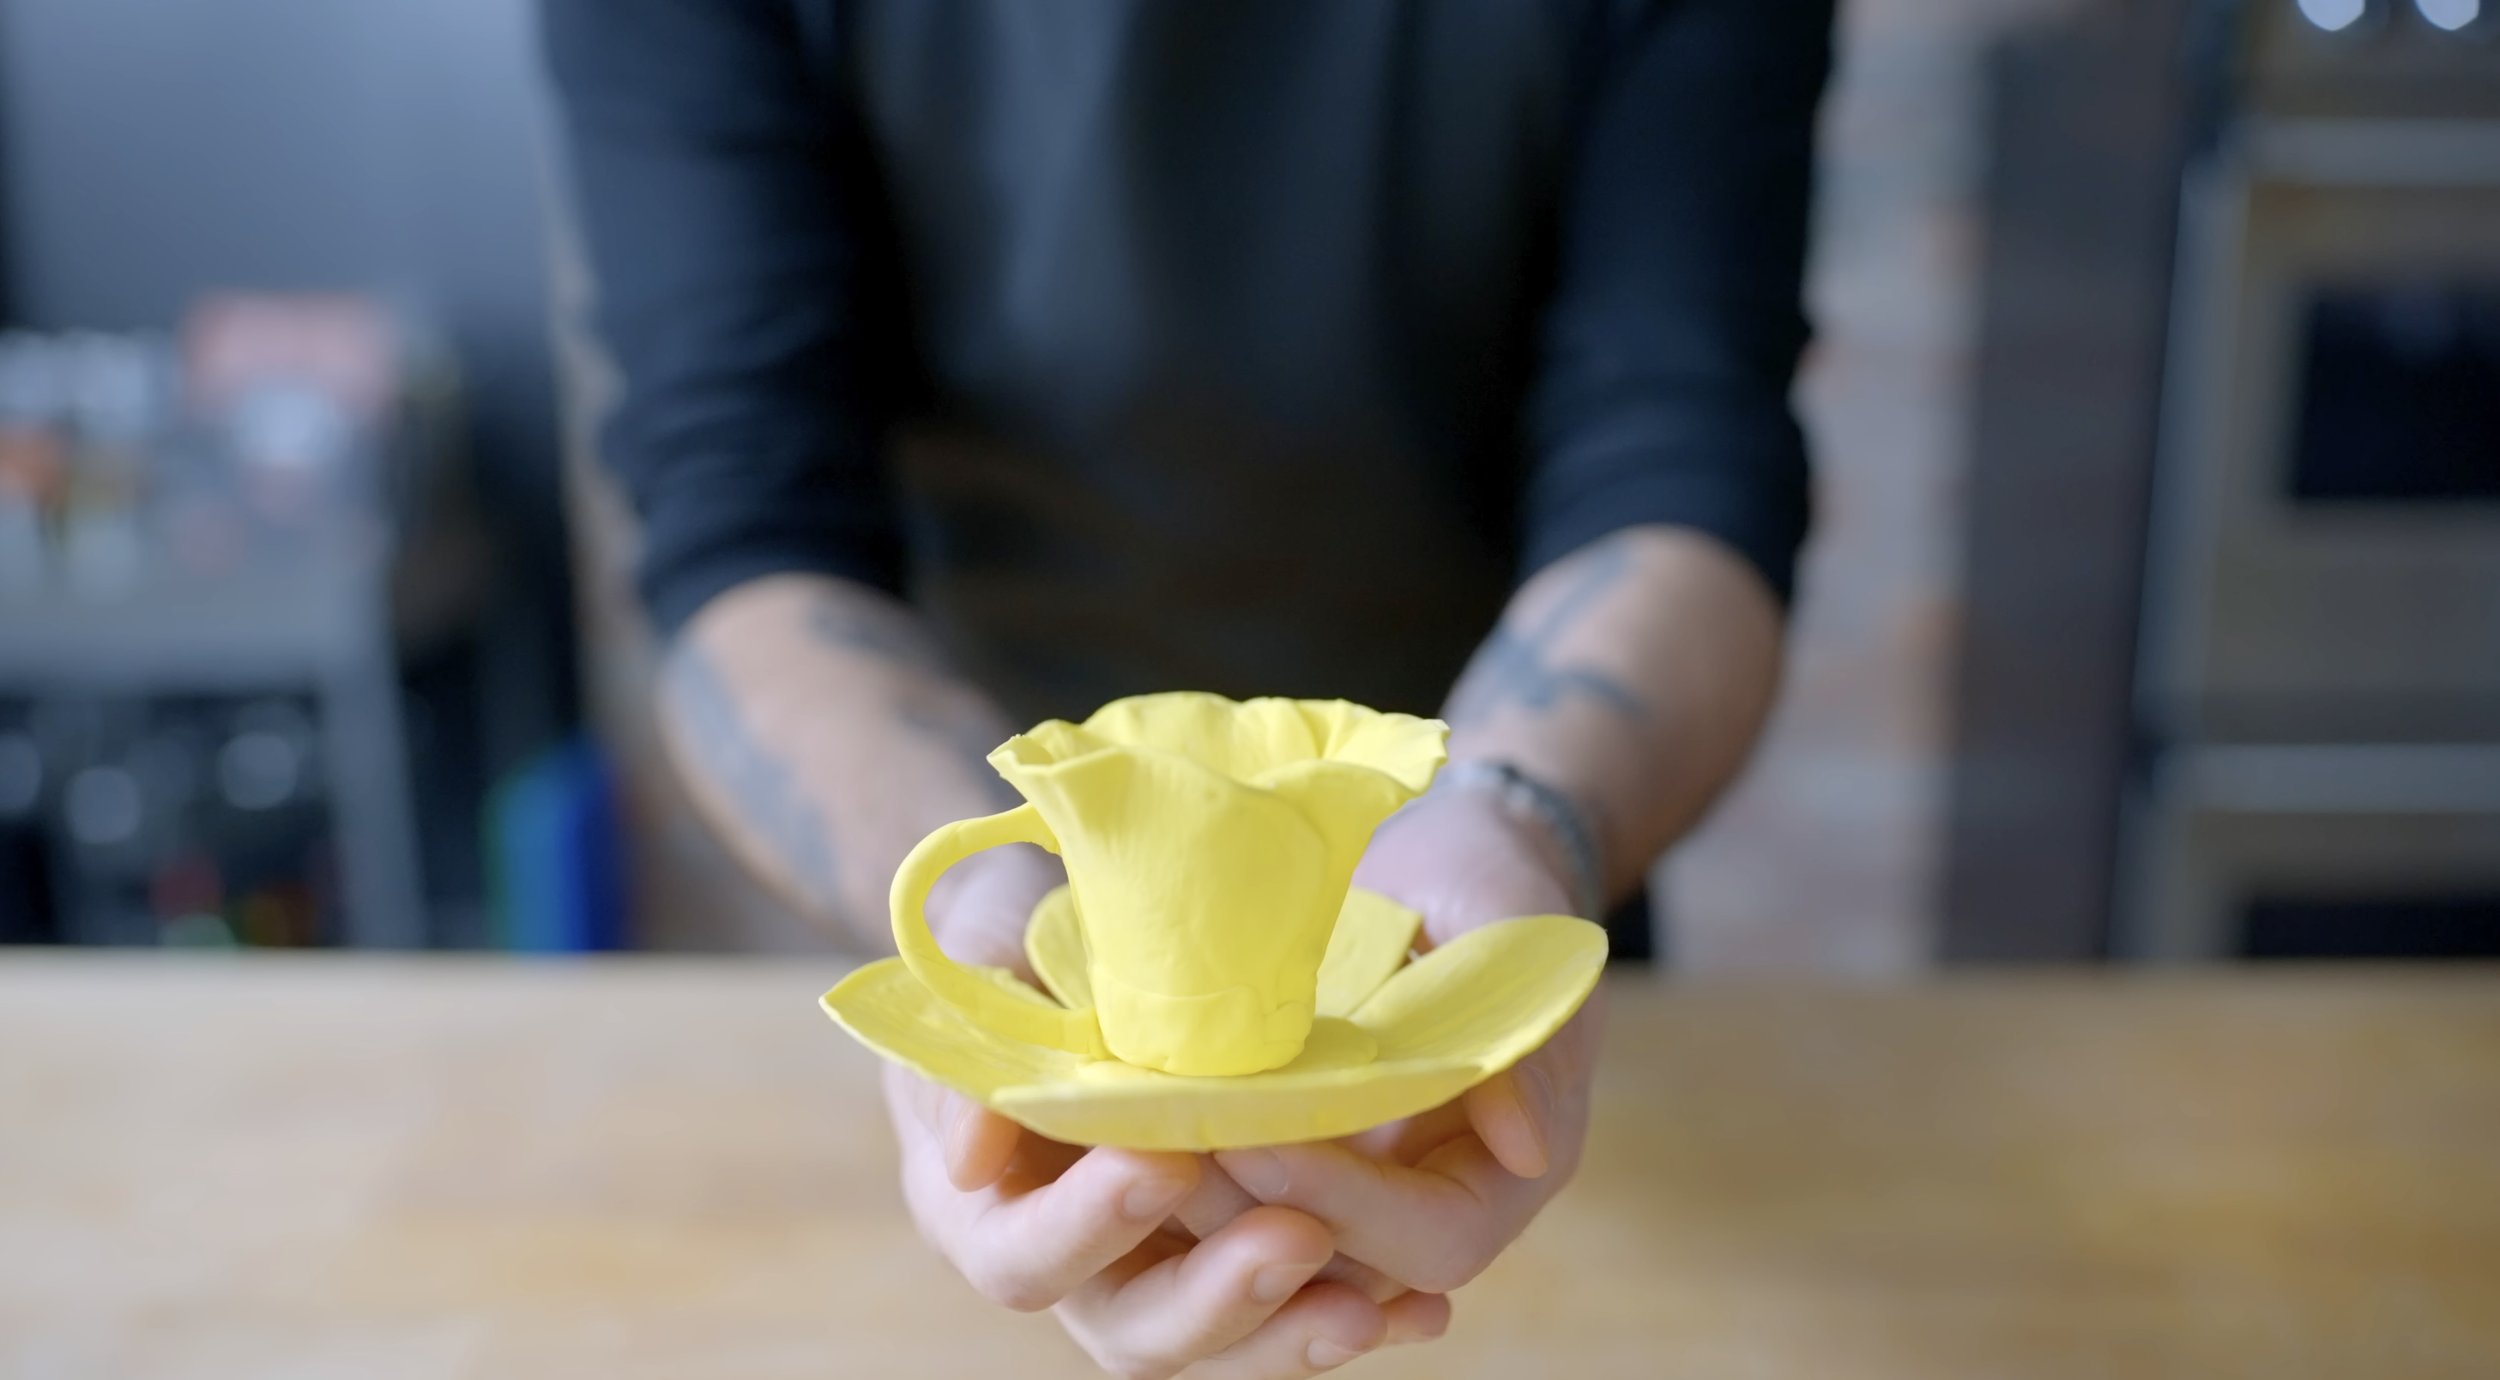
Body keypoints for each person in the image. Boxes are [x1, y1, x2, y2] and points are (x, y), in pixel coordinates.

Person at [544, 1, 1829, 1374]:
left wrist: (1514, 817)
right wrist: (975, 906)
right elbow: (745, 521)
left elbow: (1684, 445)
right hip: (1007, 897)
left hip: (1478, 929)